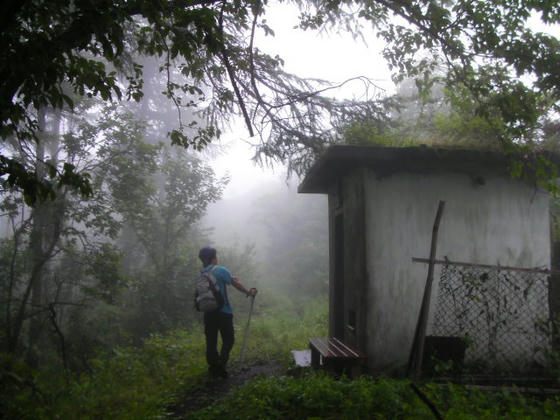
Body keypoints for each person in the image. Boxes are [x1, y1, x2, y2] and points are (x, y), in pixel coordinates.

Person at [198, 246, 258, 378]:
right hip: (223, 312)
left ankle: (213, 367)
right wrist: (249, 292)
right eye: (216, 256)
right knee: (229, 339)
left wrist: (231, 278)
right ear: (213, 258)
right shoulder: (220, 270)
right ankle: (221, 364)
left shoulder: (202, 274)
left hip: (208, 313)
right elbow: (235, 284)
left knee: (211, 341)